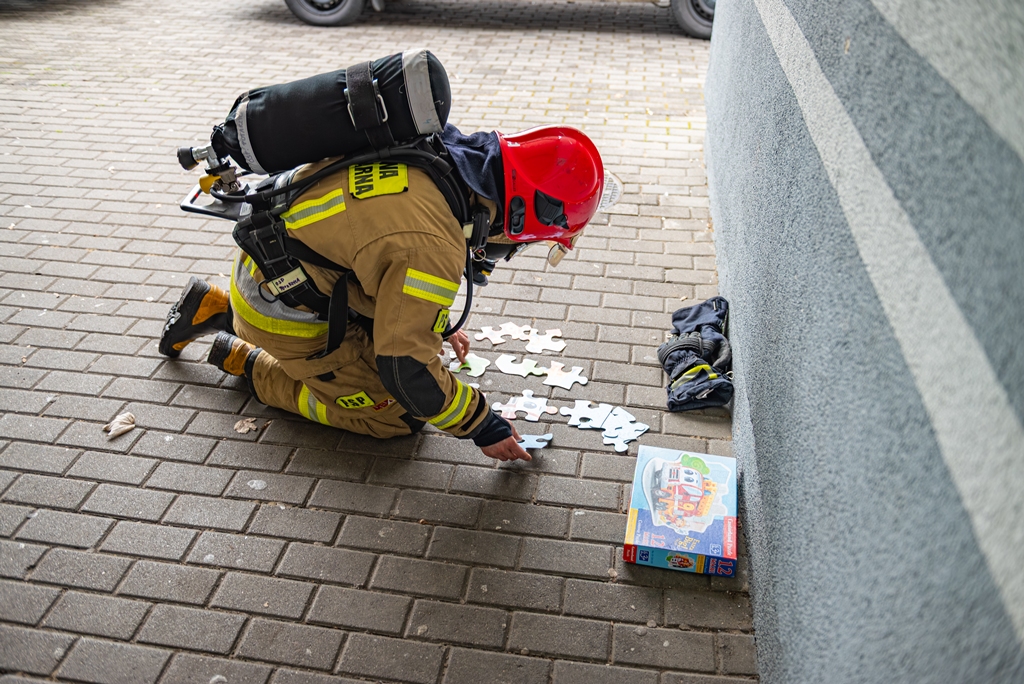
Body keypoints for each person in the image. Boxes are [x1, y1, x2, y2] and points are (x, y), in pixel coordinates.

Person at [158, 124, 603, 463]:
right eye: (528, 243)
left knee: (405, 353)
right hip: (283, 314)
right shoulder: (434, 245)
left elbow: (376, 251)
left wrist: (435, 323)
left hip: (275, 273)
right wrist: (482, 424)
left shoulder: (438, 151)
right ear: (519, 215)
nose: (512, 251)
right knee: (398, 415)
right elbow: (406, 369)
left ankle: (219, 307)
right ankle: (245, 359)